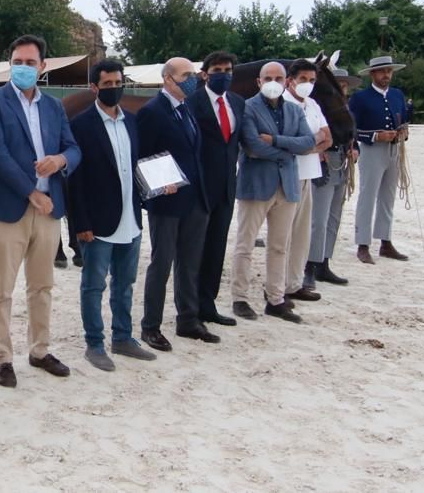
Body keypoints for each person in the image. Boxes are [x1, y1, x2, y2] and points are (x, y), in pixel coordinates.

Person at [0, 34, 81, 388]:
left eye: (30, 63)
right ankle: (1, 357)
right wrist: (29, 192)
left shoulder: (54, 106)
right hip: (9, 208)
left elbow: (73, 147)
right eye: (17, 62)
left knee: (42, 286)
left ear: (43, 66)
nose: (23, 68)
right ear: (10, 64)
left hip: (49, 209)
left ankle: (39, 350)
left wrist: (61, 159)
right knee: (1, 289)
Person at [67, 60, 155, 372]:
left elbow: (135, 167)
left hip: (130, 217)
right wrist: (81, 225)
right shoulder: (80, 125)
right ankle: (95, 343)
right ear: (94, 88)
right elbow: (74, 182)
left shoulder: (131, 122)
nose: (114, 88)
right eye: (107, 84)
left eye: (118, 82)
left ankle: (123, 337)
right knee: (93, 286)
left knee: (125, 283)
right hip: (98, 223)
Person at [136, 57, 218, 351]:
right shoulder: (151, 112)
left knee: (190, 262)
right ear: (168, 80)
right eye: (186, 75)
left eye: (193, 75)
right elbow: (141, 157)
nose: (193, 79)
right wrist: (157, 186)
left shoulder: (188, 109)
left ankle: (188, 319)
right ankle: (151, 326)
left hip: (195, 198)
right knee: (162, 263)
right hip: (167, 201)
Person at [229, 62, 317, 324]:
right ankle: (240, 297)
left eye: (278, 78)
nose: (273, 82)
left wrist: (276, 141)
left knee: (280, 246)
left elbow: (309, 142)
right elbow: (253, 146)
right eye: (268, 77)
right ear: (258, 81)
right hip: (256, 185)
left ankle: (276, 298)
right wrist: (290, 150)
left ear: (287, 81)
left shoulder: (293, 109)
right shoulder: (247, 107)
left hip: (286, 184)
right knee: (245, 244)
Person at [186, 51, 245, 328]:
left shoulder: (237, 103)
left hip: (226, 186)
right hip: (199, 187)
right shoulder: (192, 102)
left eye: (228, 69)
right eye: (218, 69)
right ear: (205, 74)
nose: (224, 74)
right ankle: (190, 310)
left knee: (217, 248)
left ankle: (208, 304)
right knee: (194, 250)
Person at [281, 59, 332, 305]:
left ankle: (294, 282)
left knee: (302, 234)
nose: (308, 85)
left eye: (312, 80)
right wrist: (312, 143)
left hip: (309, 174)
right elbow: (291, 142)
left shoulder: (312, 104)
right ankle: (278, 284)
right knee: (283, 235)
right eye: (303, 79)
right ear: (291, 80)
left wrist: (308, 144)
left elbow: (327, 138)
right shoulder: (283, 103)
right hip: (288, 174)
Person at [350, 56, 410, 263]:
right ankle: (363, 243)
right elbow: (352, 129)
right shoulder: (360, 98)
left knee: (388, 196)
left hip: (394, 150)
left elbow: (403, 119)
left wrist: (403, 132)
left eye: (389, 71)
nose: (386, 75)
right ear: (373, 74)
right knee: (368, 195)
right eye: (382, 71)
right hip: (371, 150)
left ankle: (385, 241)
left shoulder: (397, 95)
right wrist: (375, 135)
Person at [303, 68, 359, 289]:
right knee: (318, 217)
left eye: (344, 84)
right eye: (339, 84)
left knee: (334, 216)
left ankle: (324, 261)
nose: (342, 87)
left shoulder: (343, 107)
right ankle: (310, 264)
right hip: (323, 161)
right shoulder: (318, 106)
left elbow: (352, 132)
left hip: (341, 160)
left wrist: (356, 149)